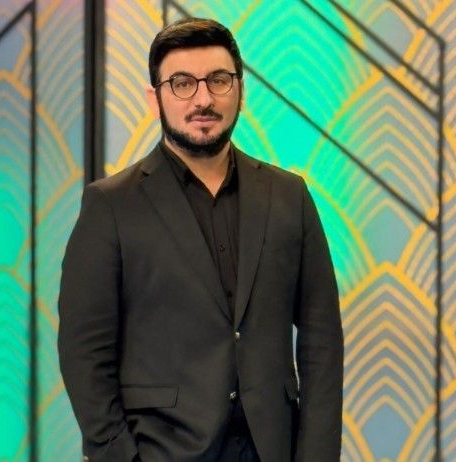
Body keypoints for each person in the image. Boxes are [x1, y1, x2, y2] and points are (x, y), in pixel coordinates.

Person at [58, 17, 343, 462]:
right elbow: (84, 352)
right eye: (182, 84)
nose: (203, 99)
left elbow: (322, 340)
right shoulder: (111, 206)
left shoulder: (289, 196)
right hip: (162, 450)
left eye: (219, 80)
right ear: (154, 99)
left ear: (240, 90)